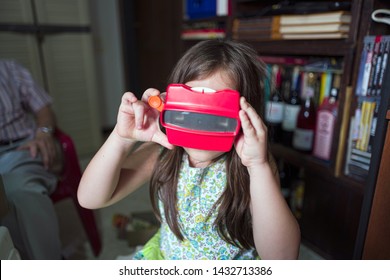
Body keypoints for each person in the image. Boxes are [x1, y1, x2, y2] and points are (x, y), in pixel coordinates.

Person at [78, 40, 301, 259]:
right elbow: (90, 198)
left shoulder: (254, 165)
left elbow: (281, 258)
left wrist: (258, 166)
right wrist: (121, 137)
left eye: (214, 114)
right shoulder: (164, 152)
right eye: (189, 110)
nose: (199, 124)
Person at [0, 59, 62, 259]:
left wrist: (43, 133)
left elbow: (44, 111)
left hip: (21, 147)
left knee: (18, 189)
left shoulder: (10, 69)